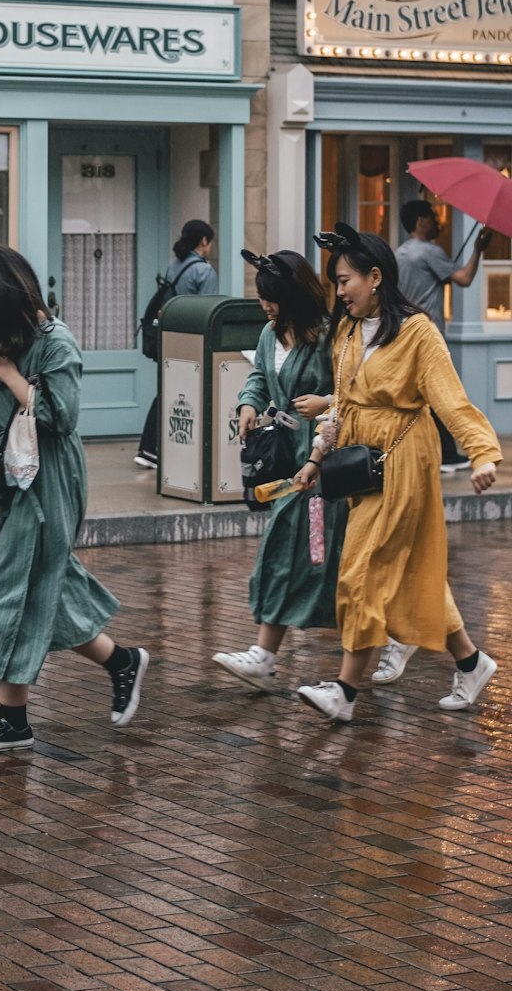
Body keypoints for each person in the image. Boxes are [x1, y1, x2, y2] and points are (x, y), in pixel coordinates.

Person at [295, 225, 499, 724]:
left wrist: (482, 454)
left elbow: (450, 399)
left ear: (376, 277)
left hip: (405, 460)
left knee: (361, 568)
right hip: (361, 461)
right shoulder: (345, 332)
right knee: (410, 576)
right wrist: (317, 457)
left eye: (345, 281)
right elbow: (345, 402)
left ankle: (345, 690)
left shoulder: (416, 331)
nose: (339, 292)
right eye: (336, 283)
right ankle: (472, 664)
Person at [0, 246, 149, 752]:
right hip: (16, 475)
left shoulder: (57, 343)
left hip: (52, 476)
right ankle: (120, 661)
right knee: (44, 585)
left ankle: (12, 719)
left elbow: (63, 416)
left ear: (3, 293)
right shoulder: (5, 342)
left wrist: (17, 381)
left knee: (9, 589)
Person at [213, 248, 342, 693]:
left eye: (270, 297)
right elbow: (261, 378)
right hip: (289, 466)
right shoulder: (271, 333)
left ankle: (385, 642)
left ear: (292, 295)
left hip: (322, 469)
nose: (264, 305)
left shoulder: (327, 338)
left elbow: (352, 391)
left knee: (314, 554)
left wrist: (325, 402)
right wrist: (249, 402)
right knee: (289, 551)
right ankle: (265, 655)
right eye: (260, 297)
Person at [396, 197, 490, 475]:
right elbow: (464, 278)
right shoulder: (429, 251)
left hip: (404, 332)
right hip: (428, 334)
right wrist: (478, 249)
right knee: (439, 393)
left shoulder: (400, 253)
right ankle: (447, 454)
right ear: (421, 222)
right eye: (434, 218)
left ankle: (432, 450)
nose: (439, 223)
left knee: (418, 394)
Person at [135, 219, 218, 470]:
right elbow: (209, 311)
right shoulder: (204, 271)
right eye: (210, 242)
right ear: (204, 241)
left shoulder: (175, 266)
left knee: (168, 393)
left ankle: (151, 447)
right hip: (194, 342)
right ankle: (161, 449)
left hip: (170, 338)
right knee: (193, 395)